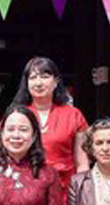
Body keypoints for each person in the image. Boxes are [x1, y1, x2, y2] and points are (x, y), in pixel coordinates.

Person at [14, 56, 88, 190]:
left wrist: (80, 193)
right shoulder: (17, 115)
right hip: (25, 190)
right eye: (33, 77)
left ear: (56, 82)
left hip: (64, 190)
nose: (38, 83)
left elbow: (82, 163)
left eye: (44, 76)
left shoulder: (74, 115)